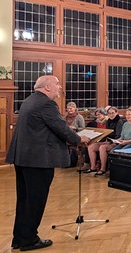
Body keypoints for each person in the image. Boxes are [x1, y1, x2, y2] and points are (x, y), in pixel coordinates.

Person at [6, 75, 90, 251]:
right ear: (47, 87)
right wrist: (78, 139)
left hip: (24, 158)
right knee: (35, 200)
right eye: (57, 84)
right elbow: (61, 128)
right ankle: (29, 240)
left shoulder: (29, 100)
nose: (60, 87)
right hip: (38, 160)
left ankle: (19, 238)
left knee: (24, 200)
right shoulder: (46, 103)